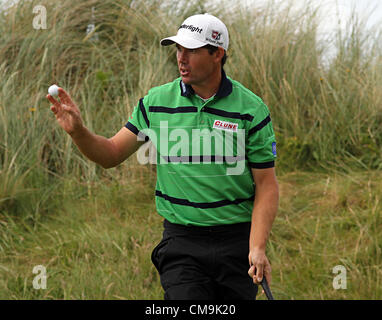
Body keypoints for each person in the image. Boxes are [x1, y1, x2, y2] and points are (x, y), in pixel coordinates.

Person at [47, 13, 279, 300]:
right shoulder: (155, 103)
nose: (181, 58)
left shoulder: (251, 109)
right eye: (178, 49)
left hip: (235, 241)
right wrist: (78, 132)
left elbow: (266, 184)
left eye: (191, 50)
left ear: (217, 53)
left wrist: (256, 247)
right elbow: (111, 154)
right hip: (182, 242)